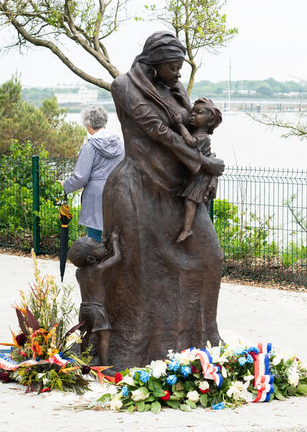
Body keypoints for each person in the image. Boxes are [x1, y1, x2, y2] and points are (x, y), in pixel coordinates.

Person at [101, 31, 226, 371]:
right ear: (155, 65)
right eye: (173, 67)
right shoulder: (124, 86)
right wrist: (202, 162)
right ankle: (139, 348)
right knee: (142, 271)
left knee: (210, 257)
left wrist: (202, 159)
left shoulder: (174, 87)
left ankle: (201, 339)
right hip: (140, 188)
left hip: (180, 189)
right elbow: (158, 131)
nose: (179, 74)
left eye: (180, 67)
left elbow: (191, 123)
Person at [61, 105, 124, 243]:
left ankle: (95, 263)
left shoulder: (90, 147)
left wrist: (65, 185)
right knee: (115, 238)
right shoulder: (120, 145)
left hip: (95, 197)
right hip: (117, 193)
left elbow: (81, 177)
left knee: (94, 241)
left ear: (88, 125)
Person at [68, 230, 121, 366]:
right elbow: (116, 257)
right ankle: (104, 365)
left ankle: (83, 361)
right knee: (104, 335)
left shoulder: (79, 273)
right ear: (91, 259)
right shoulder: (98, 269)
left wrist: (103, 242)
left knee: (85, 336)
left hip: (84, 308)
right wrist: (114, 241)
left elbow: (97, 257)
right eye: (97, 246)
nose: (101, 246)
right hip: (97, 309)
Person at [173, 97, 223, 243]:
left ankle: (187, 230)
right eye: (192, 112)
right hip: (196, 175)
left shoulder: (203, 137)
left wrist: (180, 125)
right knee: (191, 201)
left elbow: (190, 142)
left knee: (190, 200)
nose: (193, 115)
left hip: (201, 176)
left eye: (199, 113)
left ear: (210, 120)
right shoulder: (197, 133)